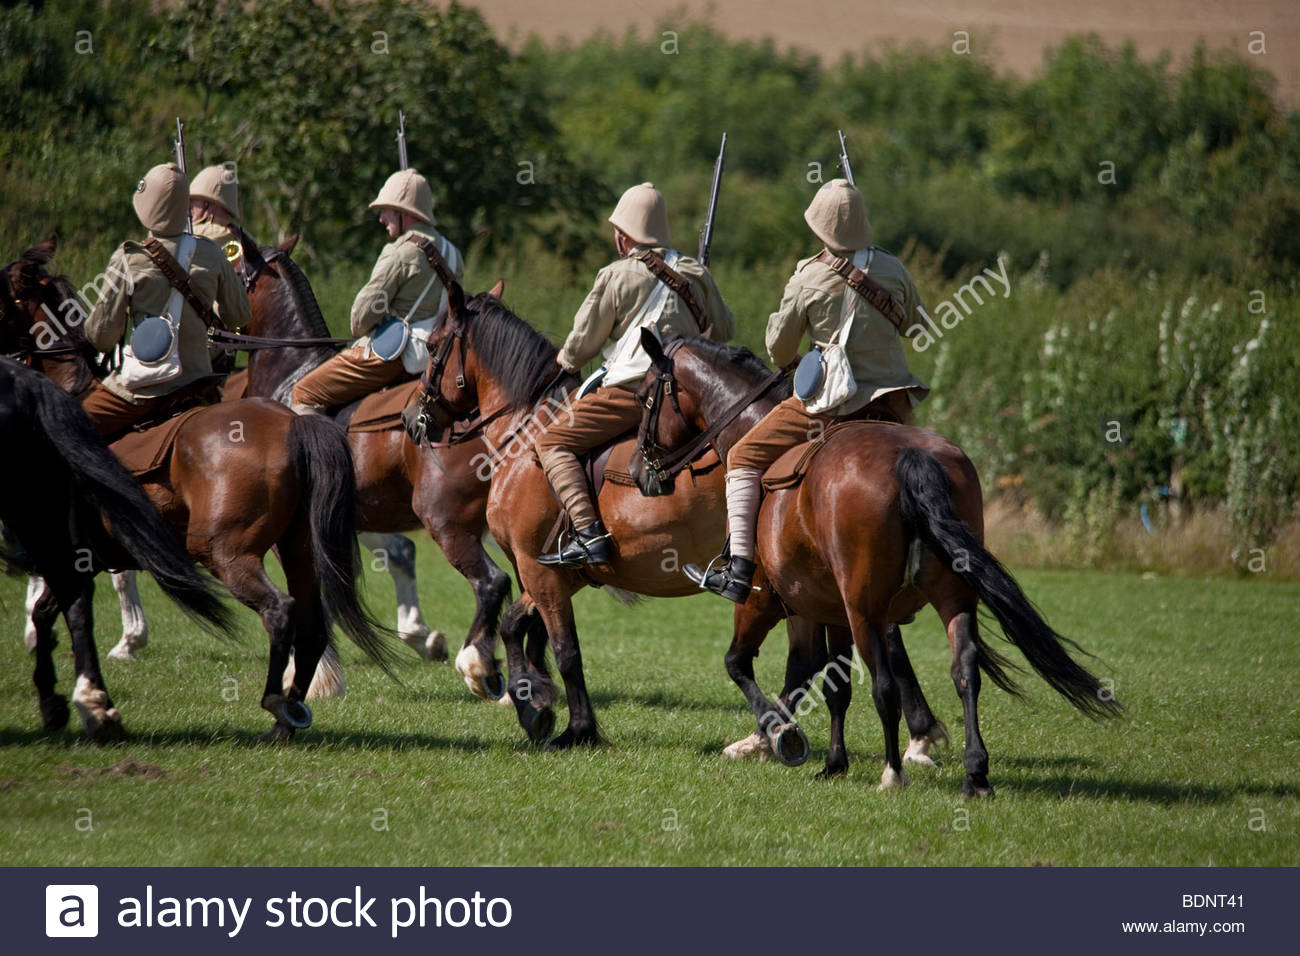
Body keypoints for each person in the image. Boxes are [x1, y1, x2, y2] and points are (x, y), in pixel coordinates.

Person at [685, 178, 929, 602]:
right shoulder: (892, 268)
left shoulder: (808, 275)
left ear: (817, 228)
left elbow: (778, 347)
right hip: (894, 400)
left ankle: (739, 568)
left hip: (833, 404)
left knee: (743, 455)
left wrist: (794, 362)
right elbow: (918, 326)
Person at [534, 182, 734, 567]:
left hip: (635, 394)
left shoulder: (617, 274)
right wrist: (700, 287)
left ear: (624, 237)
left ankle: (588, 532)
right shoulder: (693, 271)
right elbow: (724, 331)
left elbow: (582, 344)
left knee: (551, 443)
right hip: (689, 398)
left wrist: (567, 360)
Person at [82, 162, 251, 442]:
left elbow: (102, 338)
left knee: (70, 428)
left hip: (142, 387)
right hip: (199, 384)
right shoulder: (211, 253)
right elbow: (240, 317)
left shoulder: (128, 257)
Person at [289, 168, 463, 415]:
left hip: (392, 356)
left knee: (304, 393)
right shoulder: (453, 253)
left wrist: (370, 326)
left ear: (404, 212)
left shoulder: (400, 252)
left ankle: (319, 455)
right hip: (435, 355)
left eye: (386, 210)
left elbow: (360, 318)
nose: (381, 218)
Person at [189, 164, 244, 263]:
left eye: (193, 203)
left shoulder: (216, 233)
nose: (189, 209)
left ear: (208, 204)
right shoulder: (243, 236)